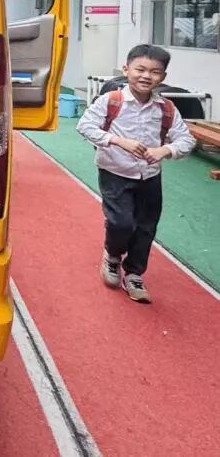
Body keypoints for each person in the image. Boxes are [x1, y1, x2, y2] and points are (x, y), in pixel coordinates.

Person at [76, 44, 196, 303]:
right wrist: (118, 141)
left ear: (163, 77)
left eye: (155, 72)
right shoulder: (112, 101)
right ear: (126, 69)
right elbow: (85, 126)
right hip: (115, 171)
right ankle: (112, 255)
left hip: (150, 176)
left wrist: (165, 150)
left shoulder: (166, 108)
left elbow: (186, 140)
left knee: (145, 227)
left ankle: (134, 274)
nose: (146, 76)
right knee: (121, 223)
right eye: (140, 69)